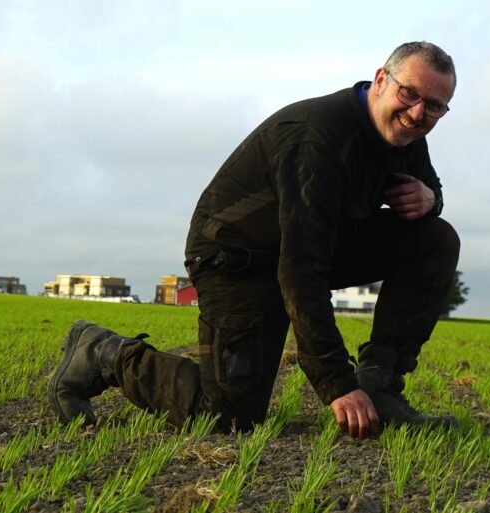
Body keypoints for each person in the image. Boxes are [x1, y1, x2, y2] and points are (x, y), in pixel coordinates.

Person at [49, 41, 460, 440]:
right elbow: (302, 270)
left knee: (434, 239)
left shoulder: (405, 135)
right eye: (409, 93)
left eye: (434, 106)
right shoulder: (317, 141)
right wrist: (337, 382)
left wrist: (431, 200)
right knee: (228, 416)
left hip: (314, 245)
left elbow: (426, 187)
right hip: (236, 258)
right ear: (381, 80)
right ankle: (104, 352)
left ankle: (381, 389)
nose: (417, 113)